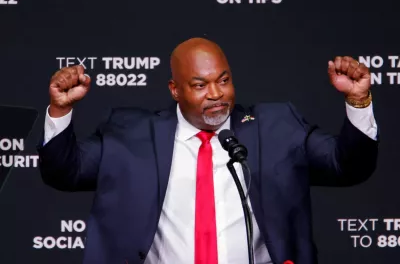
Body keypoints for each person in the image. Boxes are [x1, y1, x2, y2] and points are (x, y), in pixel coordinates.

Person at [37, 38, 379, 264]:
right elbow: (64, 172)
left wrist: (358, 100)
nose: (216, 94)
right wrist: (61, 110)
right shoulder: (130, 134)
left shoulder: (277, 127)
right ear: (175, 90)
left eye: (224, 80)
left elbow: (346, 167)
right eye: (200, 85)